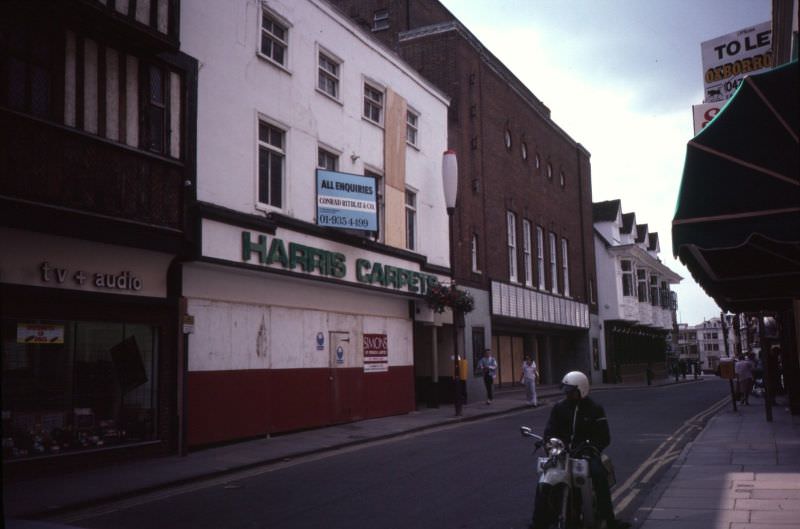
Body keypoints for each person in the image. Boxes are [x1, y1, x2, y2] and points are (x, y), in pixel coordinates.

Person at [531, 371, 630, 529]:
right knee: (544, 481)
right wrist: (549, 443)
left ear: (581, 389)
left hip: (586, 453)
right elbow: (550, 430)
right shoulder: (559, 408)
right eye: (566, 391)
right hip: (562, 453)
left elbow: (604, 437)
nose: (567, 394)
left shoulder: (594, 409)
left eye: (571, 391)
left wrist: (592, 448)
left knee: (599, 475)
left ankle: (610, 520)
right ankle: (538, 522)